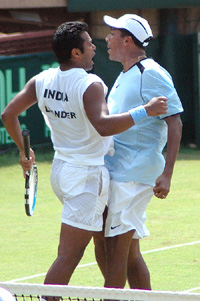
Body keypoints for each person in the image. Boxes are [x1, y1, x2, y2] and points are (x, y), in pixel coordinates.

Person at [1, 21, 167, 300]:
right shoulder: (91, 84)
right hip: (86, 178)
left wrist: (23, 151)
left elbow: (8, 115)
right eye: (89, 44)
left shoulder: (41, 80)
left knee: (106, 242)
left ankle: (123, 294)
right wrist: (145, 111)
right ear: (76, 53)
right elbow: (103, 125)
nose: (94, 47)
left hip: (62, 173)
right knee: (69, 256)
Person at [93, 14, 183, 290]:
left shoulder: (151, 72)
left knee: (116, 251)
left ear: (127, 40)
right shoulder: (125, 74)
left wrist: (167, 173)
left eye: (112, 34)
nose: (107, 39)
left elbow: (174, 120)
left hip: (135, 174)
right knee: (128, 253)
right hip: (120, 171)